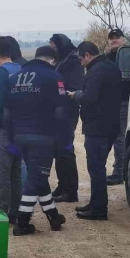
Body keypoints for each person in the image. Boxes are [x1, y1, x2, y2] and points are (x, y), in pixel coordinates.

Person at [7, 47, 67, 236]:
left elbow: (7, 112)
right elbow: (60, 112)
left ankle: (53, 215)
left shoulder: (15, 77)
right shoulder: (54, 77)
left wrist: (11, 138)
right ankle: (22, 222)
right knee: (36, 177)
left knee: (37, 175)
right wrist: (64, 138)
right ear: (52, 60)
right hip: (43, 136)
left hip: (20, 135)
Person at [66, 41, 122, 221]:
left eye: (81, 59)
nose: (80, 62)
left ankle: (98, 208)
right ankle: (95, 203)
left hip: (97, 127)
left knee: (96, 168)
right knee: (98, 166)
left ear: (87, 55)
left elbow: (89, 97)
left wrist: (75, 95)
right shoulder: (112, 67)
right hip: (112, 124)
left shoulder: (95, 71)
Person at [0, 37, 23, 224]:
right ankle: (15, 211)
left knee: (2, 173)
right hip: (20, 129)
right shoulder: (20, 69)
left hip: (4, 130)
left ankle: (2, 209)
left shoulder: (0, 73)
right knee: (16, 173)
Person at [49, 34, 84, 203]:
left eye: (53, 46)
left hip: (67, 112)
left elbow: (74, 87)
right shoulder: (61, 60)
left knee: (66, 151)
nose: (52, 49)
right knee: (58, 151)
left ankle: (71, 190)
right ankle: (63, 185)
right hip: (58, 112)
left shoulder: (73, 62)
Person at [105, 28, 129, 186]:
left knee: (119, 137)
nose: (114, 40)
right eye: (111, 38)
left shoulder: (129, 56)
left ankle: (119, 172)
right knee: (114, 137)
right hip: (110, 103)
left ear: (123, 39)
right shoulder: (106, 58)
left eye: (117, 37)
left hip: (124, 101)